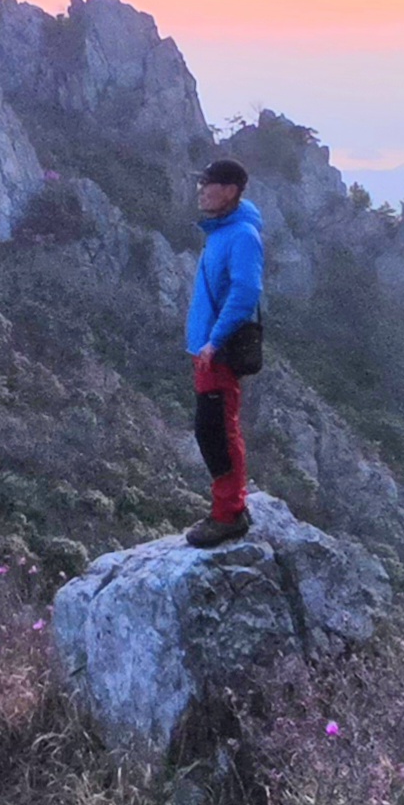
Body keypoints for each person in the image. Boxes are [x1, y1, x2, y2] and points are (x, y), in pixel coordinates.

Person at [184, 157, 265, 546]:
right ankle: (229, 507)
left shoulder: (242, 235)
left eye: (208, 184)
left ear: (230, 191)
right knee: (211, 429)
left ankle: (229, 514)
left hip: (218, 351)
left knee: (217, 430)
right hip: (206, 350)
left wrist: (214, 340)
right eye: (200, 183)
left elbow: (246, 291)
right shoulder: (221, 231)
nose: (200, 190)